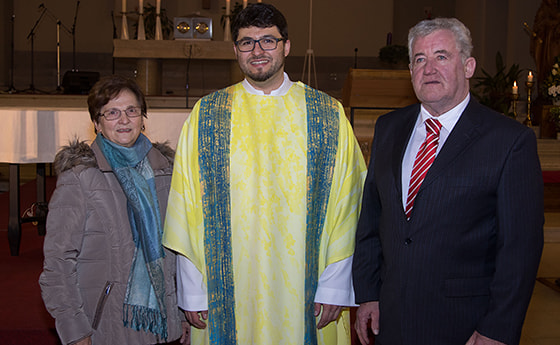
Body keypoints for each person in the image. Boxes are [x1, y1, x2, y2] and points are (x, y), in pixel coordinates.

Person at [162, 3, 367, 345]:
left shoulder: (327, 114)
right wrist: (194, 291)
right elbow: (186, 207)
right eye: (247, 42)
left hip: (310, 286)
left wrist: (335, 285)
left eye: (268, 41)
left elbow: (349, 202)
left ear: (286, 46)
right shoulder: (207, 115)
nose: (257, 51)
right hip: (227, 288)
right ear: (236, 51)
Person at [352, 17, 544, 345]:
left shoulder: (509, 141)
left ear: (468, 66)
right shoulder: (389, 128)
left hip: (464, 325)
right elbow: (372, 218)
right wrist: (368, 293)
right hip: (392, 319)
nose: (429, 69)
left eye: (441, 56)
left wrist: (497, 328)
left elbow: (520, 249)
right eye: (419, 59)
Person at [39, 75, 189, 345]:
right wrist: (75, 330)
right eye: (112, 113)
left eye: (132, 111)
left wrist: (182, 313)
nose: (123, 120)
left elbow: (180, 250)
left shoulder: (166, 171)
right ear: (96, 123)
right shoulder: (81, 177)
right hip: (106, 325)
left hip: (164, 324)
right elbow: (58, 261)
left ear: (142, 117)